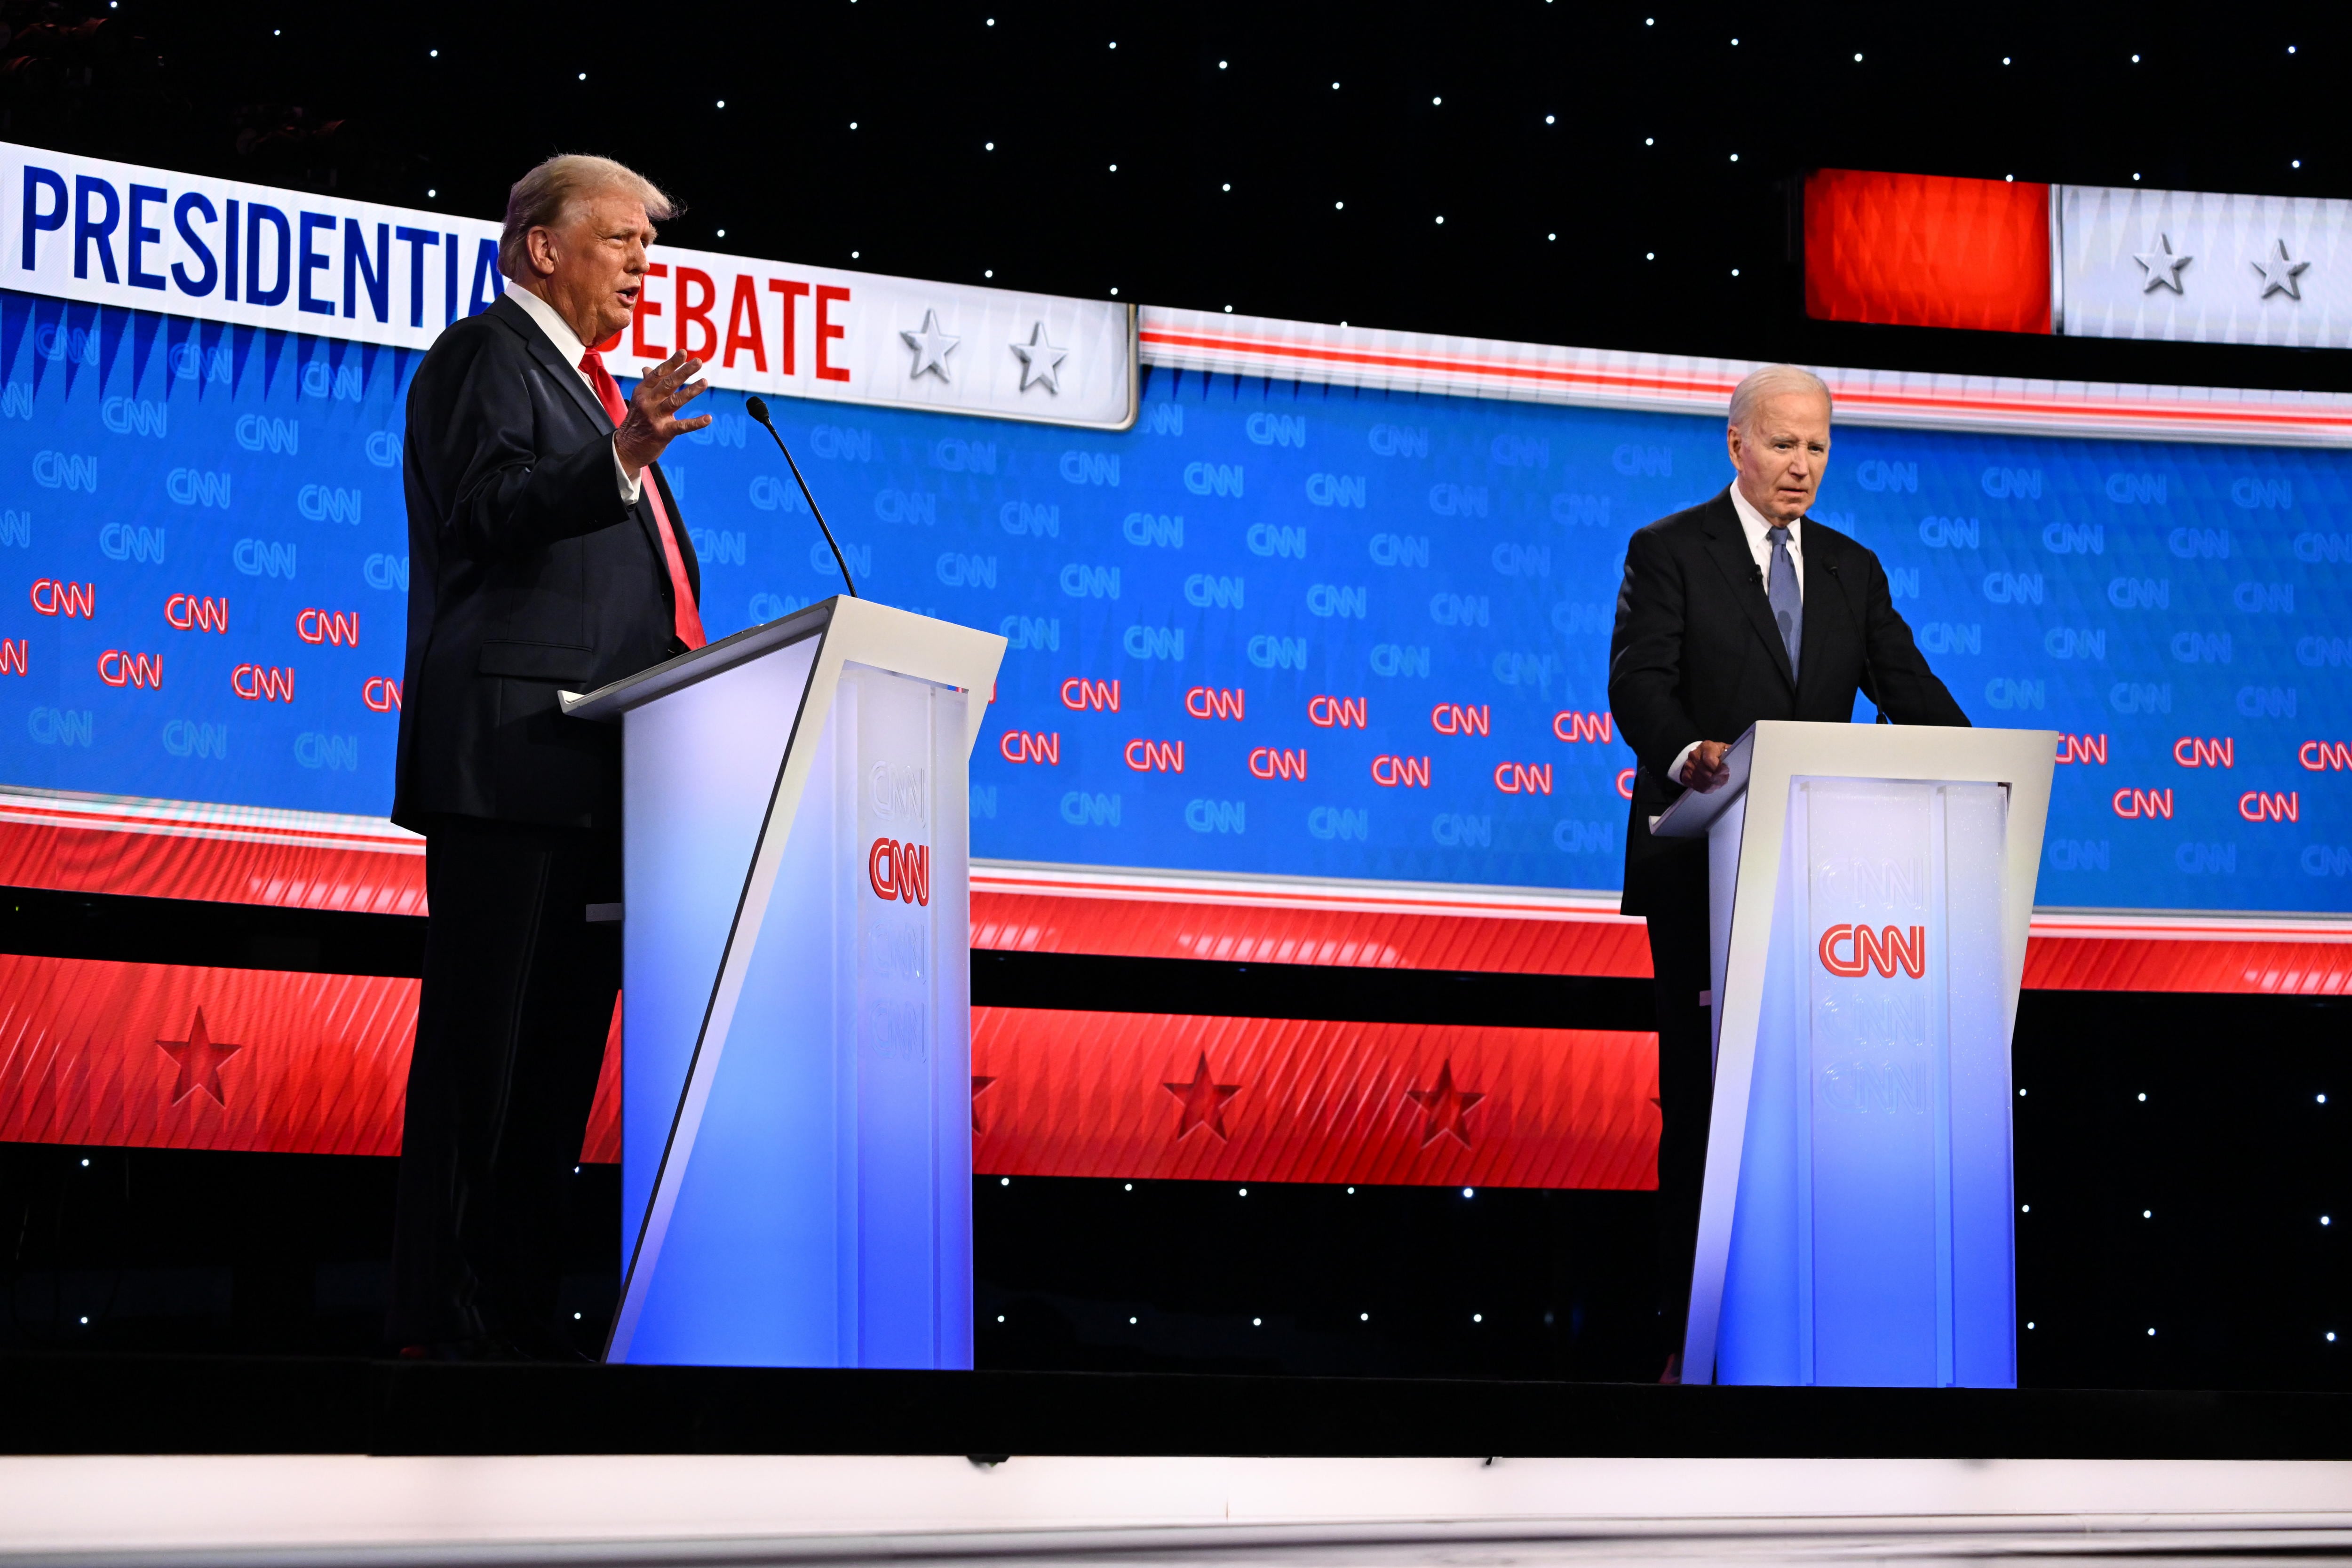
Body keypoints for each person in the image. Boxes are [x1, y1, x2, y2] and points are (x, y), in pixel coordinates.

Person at [387, 154, 713, 1358]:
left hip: (599, 780)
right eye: (623, 238)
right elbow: (486, 509)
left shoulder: (591, 389)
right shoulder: (486, 356)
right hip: (514, 764)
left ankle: (515, 1332)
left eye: (647, 244)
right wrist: (621, 452)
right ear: (541, 247)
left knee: (554, 1076)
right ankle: (438, 1337)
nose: (643, 263)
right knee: (484, 1064)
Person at [1606, 364, 1970, 1383]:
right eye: (1780, 445)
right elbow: (1636, 678)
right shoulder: (1669, 549)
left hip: (1826, 885)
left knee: (1813, 1105)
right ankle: (1690, 1336)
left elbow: (1906, 686)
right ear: (1736, 445)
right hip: (1699, 863)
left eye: (1815, 446)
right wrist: (1689, 753)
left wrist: (1975, 764)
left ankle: (1813, 1331)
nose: (1799, 465)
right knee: (1705, 1096)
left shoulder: (1853, 569)